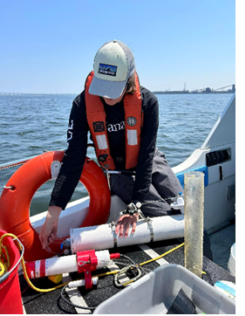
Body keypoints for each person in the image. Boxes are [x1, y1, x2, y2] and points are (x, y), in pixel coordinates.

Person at [43, 40, 184, 251]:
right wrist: (53, 212)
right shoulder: (81, 106)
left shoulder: (148, 102)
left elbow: (146, 157)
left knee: (186, 210)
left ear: (128, 81)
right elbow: (73, 159)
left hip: (149, 161)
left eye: (114, 89)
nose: (107, 96)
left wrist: (135, 205)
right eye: (103, 88)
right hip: (120, 172)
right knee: (168, 218)